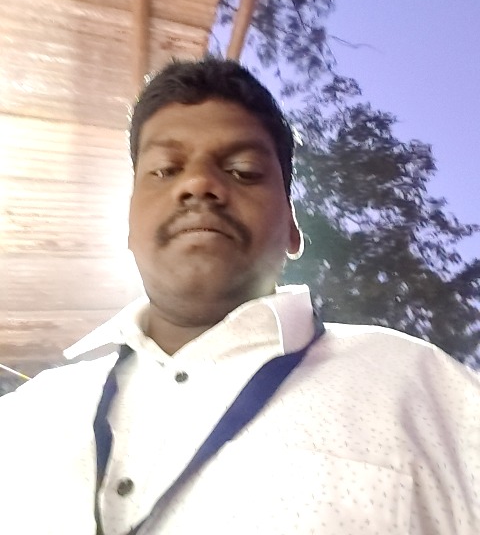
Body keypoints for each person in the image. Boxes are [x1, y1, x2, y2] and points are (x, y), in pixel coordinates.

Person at [0, 57, 478, 535]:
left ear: (292, 228)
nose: (199, 184)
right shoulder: (24, 416)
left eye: (244, 171)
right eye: (165, 169)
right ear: (128, 224)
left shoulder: (425, 389)